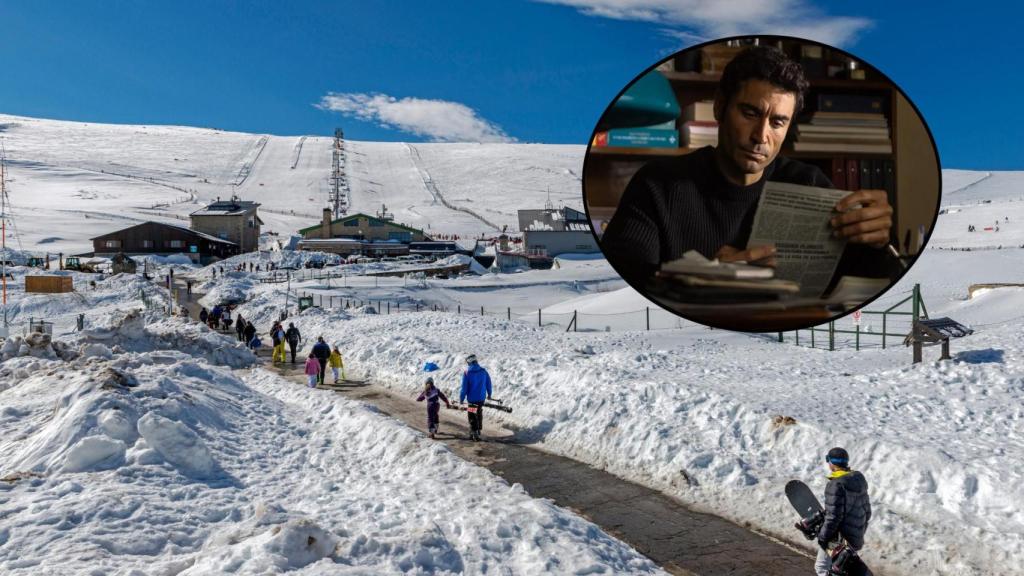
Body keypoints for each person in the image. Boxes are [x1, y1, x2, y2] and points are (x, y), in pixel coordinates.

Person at [600, 45, 895, 292]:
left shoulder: (810, 183)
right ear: (719, 108)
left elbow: (873, 283)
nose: (761, 136)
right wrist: (709, 281)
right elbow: (621, 288)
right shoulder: (657, 184)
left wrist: (878, 242)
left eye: (778, 122)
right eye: (750, 113)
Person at [815, 447, 871, 576]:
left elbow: (834, 516)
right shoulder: (858, 479)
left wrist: (823, 537)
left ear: (831, 462)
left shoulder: (835, 485)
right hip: (855, 535)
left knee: (822, 567)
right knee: (841, 570)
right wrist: (857, 532)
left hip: (839, 539)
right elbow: (868, 512)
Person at [459, 354, 492, 441]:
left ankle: (474, 431)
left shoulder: (467, 373)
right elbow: (489, 384)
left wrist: (461, 399)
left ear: (469, 362)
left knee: (472, 415)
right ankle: (478, 429)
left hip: (472, 400)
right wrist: (489, 394)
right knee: (479, 412)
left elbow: (464, 388)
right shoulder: (483, 371)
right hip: (481, 398)